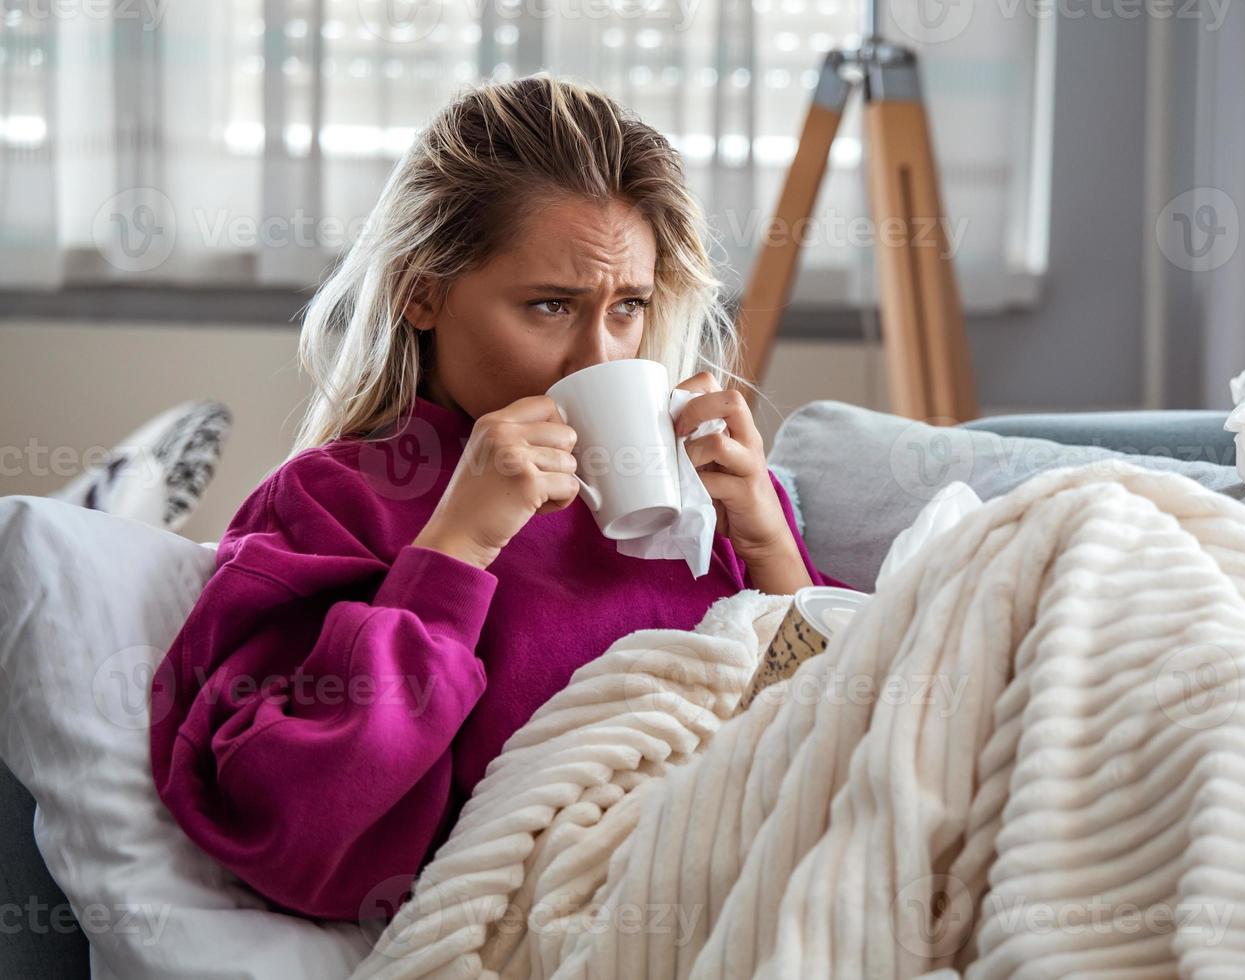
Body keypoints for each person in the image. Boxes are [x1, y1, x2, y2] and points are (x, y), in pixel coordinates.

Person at [149, 75, 845, 922]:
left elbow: (846, 729)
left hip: (793, 854)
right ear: (423, 290)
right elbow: (292, 833)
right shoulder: (334, 501)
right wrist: (454, 552)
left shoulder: (702, 495)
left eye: (627, 307)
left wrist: (772, 548)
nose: (597, 357)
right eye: (550, 305)